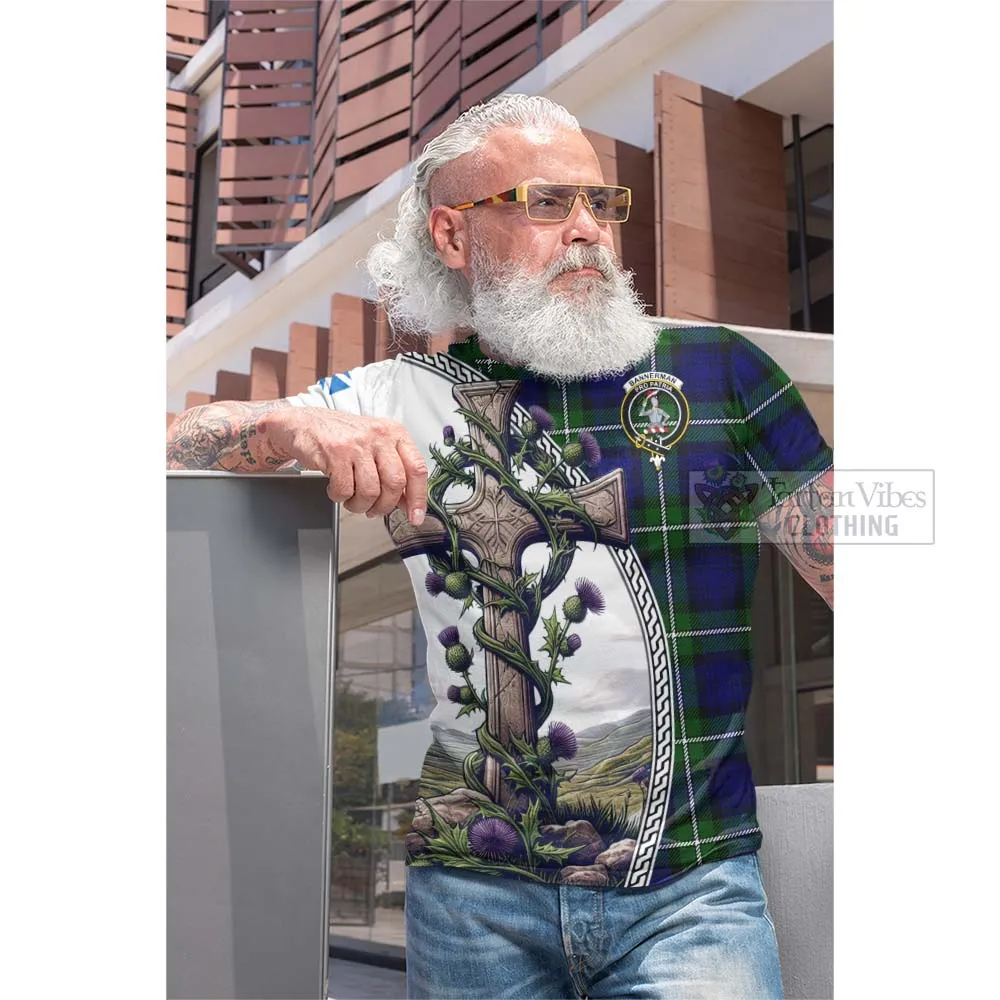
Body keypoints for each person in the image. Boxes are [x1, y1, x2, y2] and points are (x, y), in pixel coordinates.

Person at [167, 93, 834, 1000]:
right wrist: (290, 426)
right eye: (546, 204)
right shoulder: (396, 395)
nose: (588, 230)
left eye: (601, 204)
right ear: (452, 236)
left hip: (690, 893)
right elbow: (172, 444)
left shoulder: (719, 373)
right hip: (468, 902)